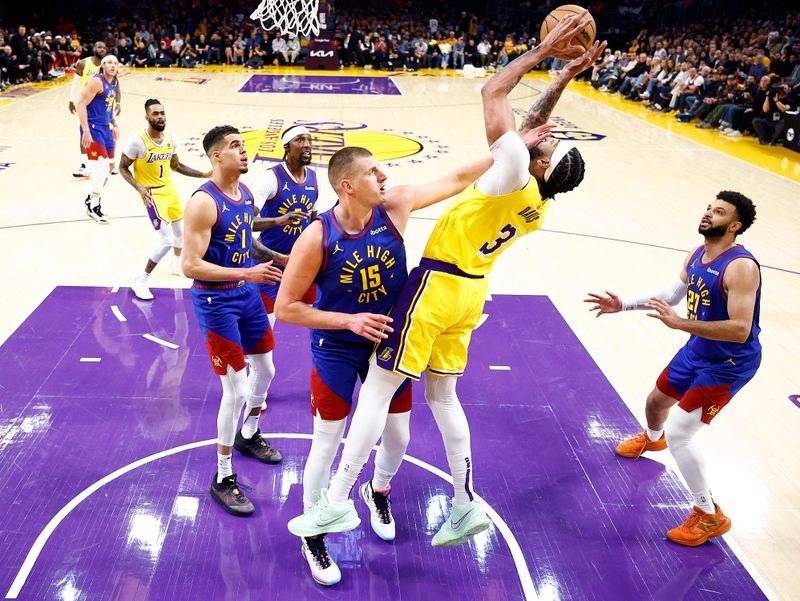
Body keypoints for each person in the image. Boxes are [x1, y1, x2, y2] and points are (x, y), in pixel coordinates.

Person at [286, 13, 603, 548]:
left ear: (539, 166)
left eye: (540, 150)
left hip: (435, 289)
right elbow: (528, 128)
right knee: (445, 399)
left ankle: (336, 503)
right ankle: (462, 504)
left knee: (379, 396)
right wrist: (565, 76)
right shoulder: (536, 204)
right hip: (472, 295)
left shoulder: (511, 177)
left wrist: (543, 50)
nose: (534, 142)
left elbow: (494, 90)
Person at [279, 137, 551, 583]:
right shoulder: (317, 235)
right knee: (327, 443)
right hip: (338, 346)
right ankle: (317, 535)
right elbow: (287, 307)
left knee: (400, 437)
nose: (384, 176)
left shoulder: (396, 205)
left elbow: (459, 178)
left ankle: (376, 490)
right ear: (347, 186)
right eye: (373, 172)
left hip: (391, 339)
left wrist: (513, 146)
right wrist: (348, 321)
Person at [585, 191, 760, 547]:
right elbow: (673, 294)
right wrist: (625, 305)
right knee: (655, 402)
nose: (709, 214)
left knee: (681, 432)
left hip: (728, 363)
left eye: (719, 212)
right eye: (709, 208)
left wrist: (681, 325)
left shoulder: (741, 267)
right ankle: (652, 439)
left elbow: (741, 330)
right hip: (698, 348)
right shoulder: (697, 253)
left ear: (735, 225)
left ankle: (709, 514)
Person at [182, 125, 287, 516]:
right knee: (236, 390)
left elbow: (244, 236)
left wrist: (278, 258)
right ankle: (223, 476)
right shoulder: (202, 202)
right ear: (216, 156)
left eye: (244, 145)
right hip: (216, 301)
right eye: (235, 146)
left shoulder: (243, 195)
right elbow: (190, 265)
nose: (245, 152)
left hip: (245, 294)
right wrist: (247, 274)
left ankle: (249, 434)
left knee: (268, 368)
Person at [118, 98, 211, 300]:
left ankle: (176, 264)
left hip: (169, 190)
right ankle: (141, 279)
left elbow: (176, 166)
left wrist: (202, 174)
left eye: (162, 113)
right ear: (147, 117)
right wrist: (139, 187)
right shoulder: (137, 141)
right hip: (151, 194)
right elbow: (122, 167)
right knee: (166, 239)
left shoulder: (170, 138)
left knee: (180, 232)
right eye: (155, 114)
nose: (160, 117)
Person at [251, 125, 317, 325]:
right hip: (271, 261)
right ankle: (252, 356)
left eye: (309, 140)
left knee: (316, 317)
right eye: (299, 140)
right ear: (287, 146)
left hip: (302, 261)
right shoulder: (270, 178)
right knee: (266, 323)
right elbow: (245, 223)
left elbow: (313, 221)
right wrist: (279, 220)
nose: (306, 145)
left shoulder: (314, 178)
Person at [76, 54, 120, 224]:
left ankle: (90, 197)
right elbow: (81, 104)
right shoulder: (97, 81)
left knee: (110, 167)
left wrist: (115, 124)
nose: (113, 65)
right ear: (102, 65)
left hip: (106, 128)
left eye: (115, 63)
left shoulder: (113, 83)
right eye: (109, 62)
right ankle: (94, 206)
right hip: (93, 128)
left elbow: (108, 108)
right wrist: (85, 131)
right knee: (102, 167)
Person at [69, 41, 106, 178]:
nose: (101, 49)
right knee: (84, 132)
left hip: (102, 104)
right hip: (87, 103)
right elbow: (76, 83)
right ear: (94, 48)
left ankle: (108, 161)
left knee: (104, 132)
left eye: (103, 47)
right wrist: (71, 100)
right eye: (99, 47)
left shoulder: (107, 65)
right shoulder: (83, 63)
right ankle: (85, 165)